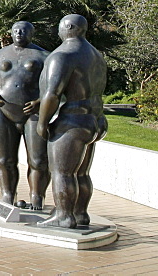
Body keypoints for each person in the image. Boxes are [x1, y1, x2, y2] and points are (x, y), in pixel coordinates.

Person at [36, 14, 108, 228]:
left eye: (59, 28)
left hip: (73, 121)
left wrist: (42, 122)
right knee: (82, 172)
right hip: (96, 120)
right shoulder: (96, 55)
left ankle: (64, 216)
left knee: (62, 171)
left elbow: (52, 94)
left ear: (67, 28)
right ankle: (81, 213)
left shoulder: (62, 55)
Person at [0, 21, 49, 209]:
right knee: (3, 159)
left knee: (39, 160)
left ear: (32, 33)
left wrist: (40, 101)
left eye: (24, 30)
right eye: (16, 30)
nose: (20, 33)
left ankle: (37, 196)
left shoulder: (44, 56)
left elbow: (54, 87)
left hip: (32, 112)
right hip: (1, 110)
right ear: (11, 33)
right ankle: (8, 195)